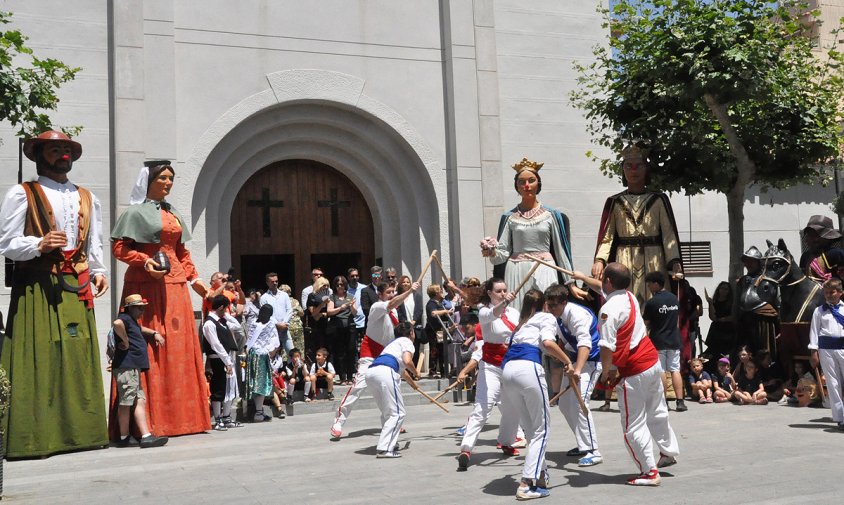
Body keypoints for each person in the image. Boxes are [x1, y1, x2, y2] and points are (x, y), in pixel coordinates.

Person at [0, 131, 110, 457]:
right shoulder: (23, 193)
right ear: (39, 155)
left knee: (78, 352)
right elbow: (6, 242)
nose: (63, 154)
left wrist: (99, 270)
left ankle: (82, 431)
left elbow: (95, 242)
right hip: (37, 283)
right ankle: (35, 437)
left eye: (66, 149)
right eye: (55, 149)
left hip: (75, 284)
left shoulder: (88, 197)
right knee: (38, 354)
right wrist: (38, 244)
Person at [109, 160, 211, 439]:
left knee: (177, 347)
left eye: (170, 179)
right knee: (150, 347)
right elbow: (119, 247)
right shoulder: (134, 212)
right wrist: (144, 261)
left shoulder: (173, 213)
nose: (167, 183)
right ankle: (147, 424)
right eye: (162, 178)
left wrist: (196, 279)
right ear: (149, 180)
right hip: (146, 285)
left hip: (176, 285)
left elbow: (181, 252)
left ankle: (185, 418)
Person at [597, 262, 679, 486]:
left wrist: (606, 372)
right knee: (657, 409)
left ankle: (649, 472)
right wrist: (584, 279)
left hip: (633, 371)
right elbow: (603, 289)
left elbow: (606, 346)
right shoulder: (630, 297)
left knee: (633, 423)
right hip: (652, 362)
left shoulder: (607, 310)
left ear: (609, 282)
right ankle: (667, 451)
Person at [500, 288, 572, 500]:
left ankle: (540, 474)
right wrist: (568, 361)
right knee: (542, 429)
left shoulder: (521, 325)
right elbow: (548, 343)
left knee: (531, 430)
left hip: (508, 372)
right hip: (528, 369)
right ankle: (526, 483)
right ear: (544, 305)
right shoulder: (546, 317)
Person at [480, 157, 578, 310]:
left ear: (538, 183)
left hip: (544, 266)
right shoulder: (509, 217)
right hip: (516, 269)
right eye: (521, 182)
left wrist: (570, 283)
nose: (526, 185)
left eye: (531, 180)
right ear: (516, 186)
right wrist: (491, 251)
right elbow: (503, 252)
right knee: (519, 312)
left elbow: (561, 252)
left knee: (546, 311)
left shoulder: (551, 215)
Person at [592, 145, 683, 305]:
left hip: (654, 259)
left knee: (656, 304)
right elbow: (608, 237)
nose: (634, 170)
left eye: (638, 166)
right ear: (623, 170)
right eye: (629, 166)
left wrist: (675, 261)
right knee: (624, 303)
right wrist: (600, 260)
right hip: (624, 258)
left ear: (646, 169)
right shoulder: (615, 202)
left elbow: (669, 235)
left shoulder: (659, 199)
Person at [330, 279, 419, 438]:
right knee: (358, 387)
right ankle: (339, 421)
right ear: (380, 294)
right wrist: (410, 291)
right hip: (370, 353)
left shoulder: (395, 312)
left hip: (386, 356)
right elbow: (391, 304)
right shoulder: (377, 306)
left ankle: (390, 422)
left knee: (389, 389)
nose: (392, 295)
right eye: (389, 293)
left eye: (393, 292)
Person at [456, 277, 521, 470]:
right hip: (490, 367)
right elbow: (492, 314)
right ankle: (466, 448)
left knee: (512, 407)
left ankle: (507, 441)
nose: (502, 293)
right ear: (490, 293)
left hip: (510, 365)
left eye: (504, 290)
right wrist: (505, 301)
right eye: (498, 291)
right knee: (483, 407)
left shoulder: (514, 313)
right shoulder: (484, 311)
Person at [548, 284, 604, 467]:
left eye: (554, 305)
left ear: (564, 302)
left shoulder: (577, 315)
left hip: (590, 362)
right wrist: (564, 361)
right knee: (564, 404)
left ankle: (594, 451)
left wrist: (578, 370)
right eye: (549, 305)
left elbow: (584, 344)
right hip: (573, 363)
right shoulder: (558, 317)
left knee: (581, 404)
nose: (551, 309)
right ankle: (583, 444)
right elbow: (563, 343)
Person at [111, 294, 168, 448]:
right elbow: (117, 324)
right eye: (139, 308)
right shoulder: (124, 317)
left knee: (139, 400)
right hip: (127, 366)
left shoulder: (131, 321)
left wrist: (154, 333)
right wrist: (124, 341)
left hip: (132, 367)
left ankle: (145, 436)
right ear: (131, 308)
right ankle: (124, 437)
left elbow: (140, 328)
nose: (142, 311)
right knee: (126, 402)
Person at [364, 321, 421, 458]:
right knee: (397, 413)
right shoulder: (406, 341)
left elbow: (402, 371)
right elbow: (407, 362)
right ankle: (385, 449)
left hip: (372, 373)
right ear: (411, 333)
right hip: (386, 372)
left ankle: (391, 443)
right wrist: (416, 372)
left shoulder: (392, 345)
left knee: (387, 412)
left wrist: (412, 383)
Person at [643, 271, 687, 412]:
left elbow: (646, 322)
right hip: (674, 340)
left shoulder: (652, 302)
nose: (649, 287)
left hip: (658, 341)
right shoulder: (674, 299)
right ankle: (680, 402)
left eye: (649, 284)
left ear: (656, 284)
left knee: (661, 370)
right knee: (675, 370)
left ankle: (665, 402)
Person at [202, 295, 244, 430]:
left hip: (226, 358)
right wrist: (227, 362)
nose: (227, 311)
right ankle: (218, 418)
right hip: (217, 358)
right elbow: (216, 344)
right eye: (225, 308)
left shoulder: (222, 321)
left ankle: (226, 417)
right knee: (218, 389)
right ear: (221, 307)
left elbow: (237, 326)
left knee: (229, 388)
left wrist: (226, 316)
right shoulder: (209, 323)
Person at [808, 278, 844, 430]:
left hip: (842, 347)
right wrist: (813, 352)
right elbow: (814, 332)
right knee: (833, 383)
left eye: (832, 292)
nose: (829, 295)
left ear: (840, 293)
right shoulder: (819, 311)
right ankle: (840, 417)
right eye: (827, 292)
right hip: (826, 349)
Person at [246, 304, 283, 422]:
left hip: (260, 356)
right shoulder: (253, 323)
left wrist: (270, 354)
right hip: (256, 356)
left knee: (260, 384)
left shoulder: (270, 324)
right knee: (258, 384)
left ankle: (259, 411)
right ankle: (258, 412)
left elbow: (274, 342)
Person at [327, 275, 357, 383]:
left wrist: (351, 306)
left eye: (342, 284)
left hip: (350, 326)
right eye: (338, 284)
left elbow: (355, 313)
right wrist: (341, 308)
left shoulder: (350, 296)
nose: (340, 286)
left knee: (351, 350)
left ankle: (350, 375)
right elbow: (329, 312)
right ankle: (342, 376)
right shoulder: (332, 297)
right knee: (340, 352)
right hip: (337, 326)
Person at [800, 215, 842, 282]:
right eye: (808, 235)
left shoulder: (837, 254)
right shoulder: (805, 256)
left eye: (812, 235)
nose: (807, 241)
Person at [260, 273, 293, 355]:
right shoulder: (264, 298)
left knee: (291, 352)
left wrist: (283, 324)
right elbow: (266, 315)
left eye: (276, 281)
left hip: (285, 328)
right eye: (272, 282)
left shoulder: (284, 295)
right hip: (272, 330)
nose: (275, 283)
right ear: (267, 283)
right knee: (272, 353)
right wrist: (277, 324)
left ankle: (293, 368)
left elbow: (289, 310)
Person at [704, 281, 735, 360]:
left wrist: (725, 319)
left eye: (726, 289)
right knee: (713, 352)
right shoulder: (714, 302)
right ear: (718, 289)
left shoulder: (732, 303)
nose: (723, 291)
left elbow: (735, 316)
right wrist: (710, 304)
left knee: (725, 352)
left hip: (728, 330)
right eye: (722, 288)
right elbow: (712, 317)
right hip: (716, 329)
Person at [307, 276, 332, 356]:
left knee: (328, 348)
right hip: (316, 326)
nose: (326, 287)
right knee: (317, 348)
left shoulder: (330, 296)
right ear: (319, 285)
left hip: (327, 326)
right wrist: (322, 304)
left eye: (327, 285)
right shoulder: (312, 296)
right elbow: (313, 313)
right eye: (324, 285)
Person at [280, 283, 305, 353]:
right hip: (297, 326)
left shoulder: (280, 302)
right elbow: (302, 313)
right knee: (299, 347)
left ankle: (288, 363)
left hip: (286, 327)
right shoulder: (295, 301)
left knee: (286, 348)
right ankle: (298, 362)